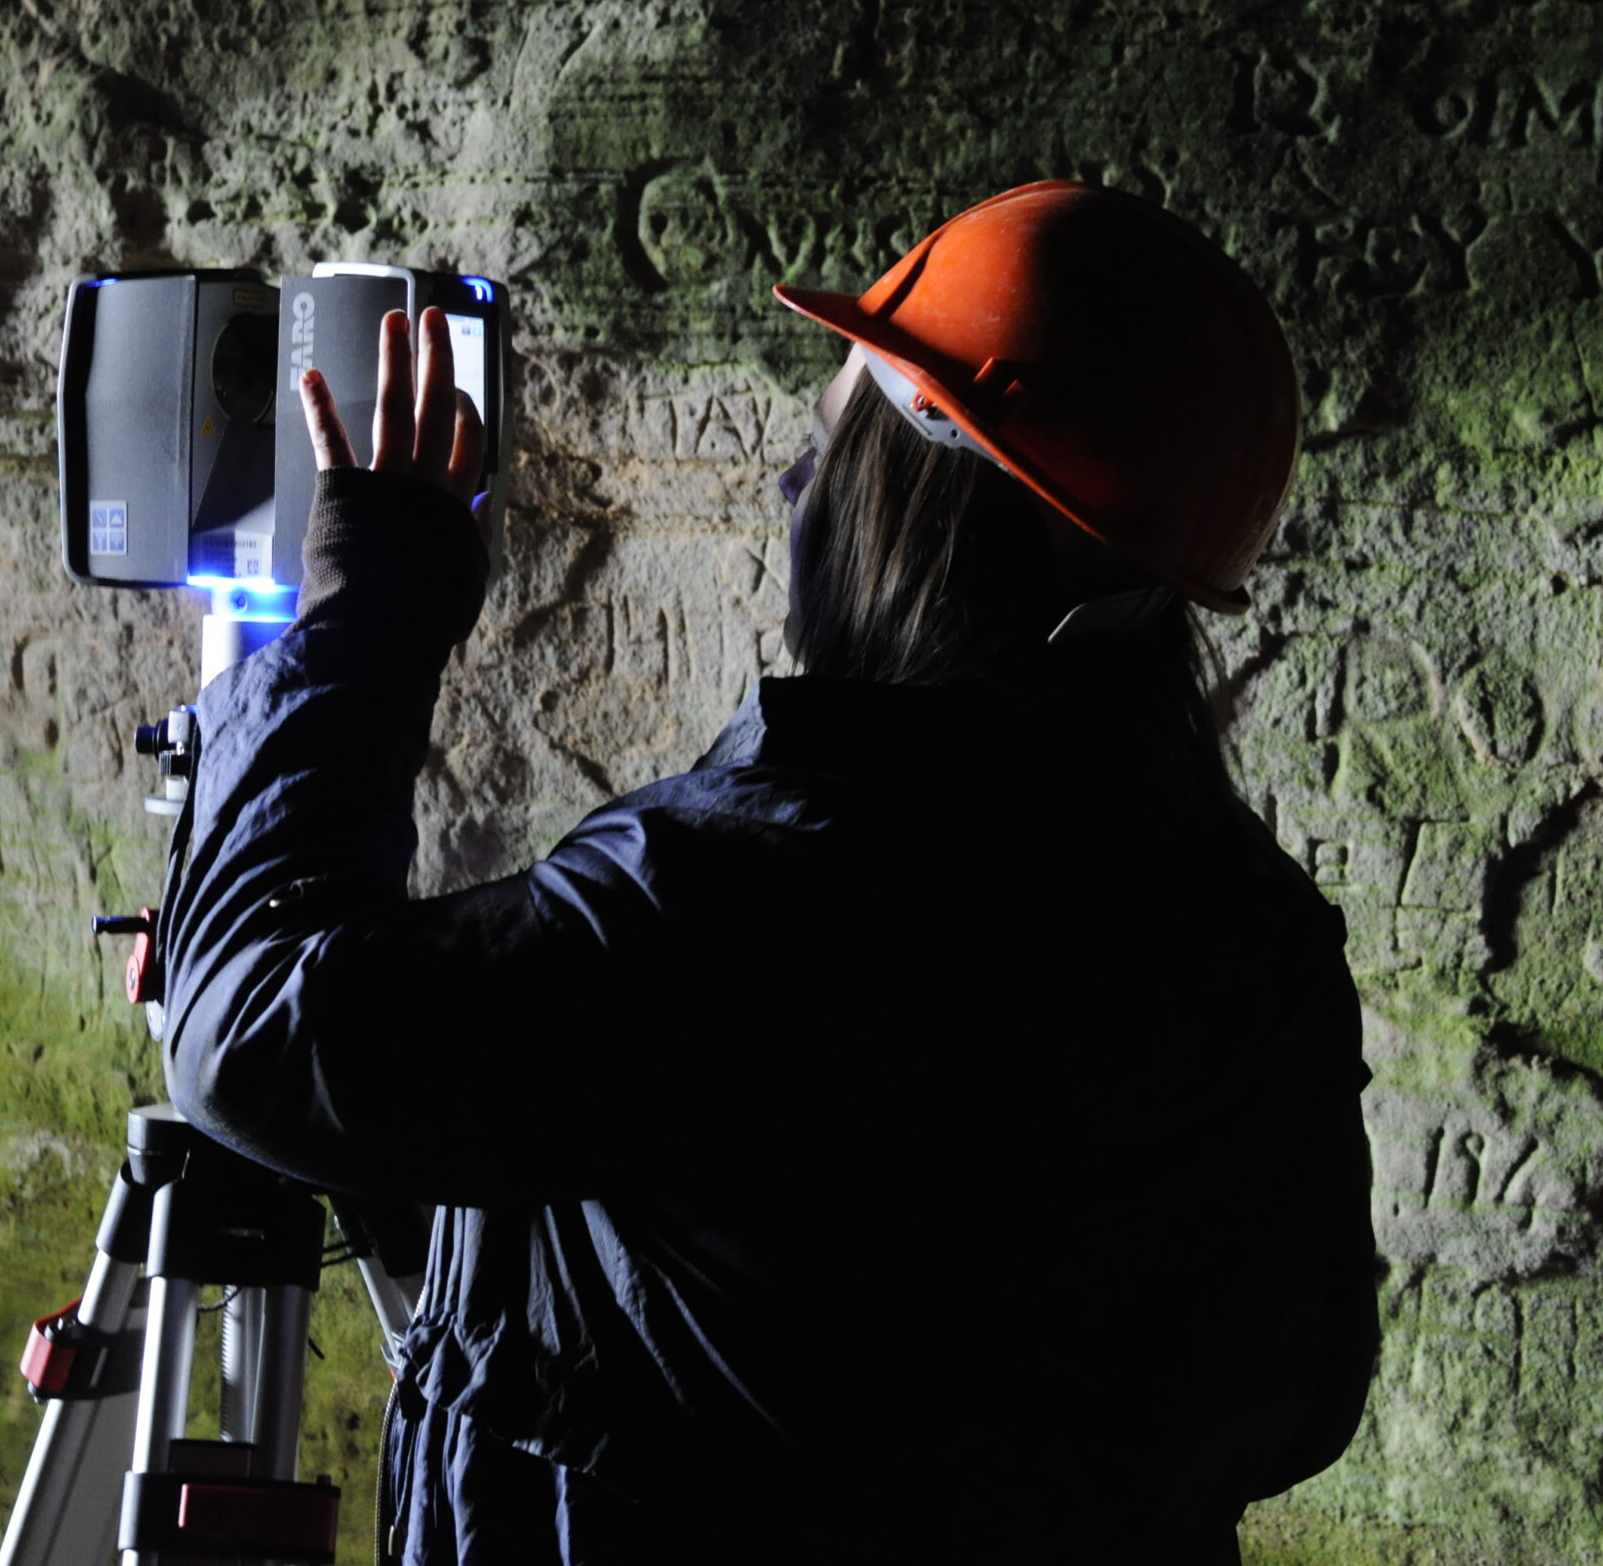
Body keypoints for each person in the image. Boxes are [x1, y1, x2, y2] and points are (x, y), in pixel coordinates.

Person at [150, 182, 1379, 1563]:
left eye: (830, 441)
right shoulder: (1264, 959)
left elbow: (248, 1033)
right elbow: (1304, 1404)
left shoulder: (757, 900)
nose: (800, 486)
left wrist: (373, 606)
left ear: (917, 498)